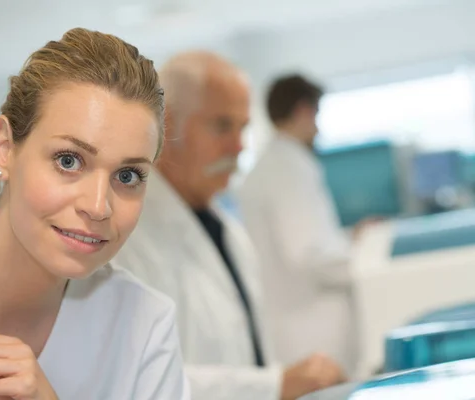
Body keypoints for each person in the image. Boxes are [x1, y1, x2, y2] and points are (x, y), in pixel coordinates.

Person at [0, 28, 190, 399]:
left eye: (127, 175)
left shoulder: (144, 326)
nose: (98, 206)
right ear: (4, 149)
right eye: (69, 160)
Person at [113, 52, 345, 400]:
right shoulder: (126, 241)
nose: (238, 146)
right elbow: (137, 378)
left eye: (243, 128)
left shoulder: (227, 229)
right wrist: (274, 386)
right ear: (166, 127)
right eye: (222, 126)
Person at [237, 74, 363, 374]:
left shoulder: (271, 166)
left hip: (292, 327)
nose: (317, 127)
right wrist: (365, 263)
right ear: (304, 111)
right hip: (313, 331)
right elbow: (309, 255)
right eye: (316, 115)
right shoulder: (289, 168)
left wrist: (347, 239)